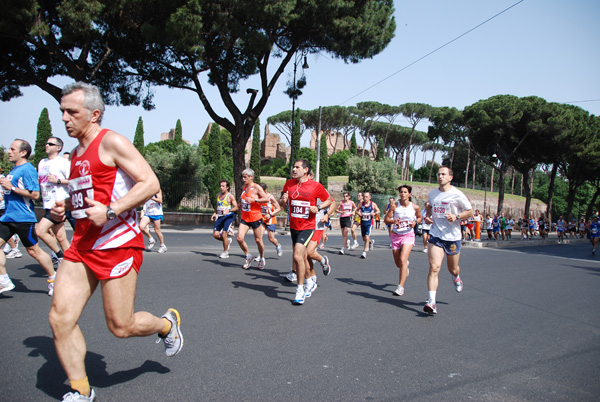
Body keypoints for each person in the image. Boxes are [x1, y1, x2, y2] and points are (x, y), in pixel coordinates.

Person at [48, 82, 183, 401]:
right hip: (82, 245)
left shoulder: (111, 142)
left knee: (121, 326)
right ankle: (80, 389)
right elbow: (89, 194)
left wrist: (111, 210)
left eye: (72, 112)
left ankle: (165, 325)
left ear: (94, 114)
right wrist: (68, 205)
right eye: (62, 112)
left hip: (118, 244)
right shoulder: (77, 153)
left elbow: (150, 182)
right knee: (59, 317)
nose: (65, 118)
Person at [0, 139, 57, 296]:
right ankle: (3, 279)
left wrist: (11, 187)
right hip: (8, 217)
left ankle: (53, 279)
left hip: (23, 218)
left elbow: (35, 194)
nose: (9, 151)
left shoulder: (28, 169)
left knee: (34, 251)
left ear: (23, 152)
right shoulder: (14, 170)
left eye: (12, 149)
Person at [279, 159, 332, 305]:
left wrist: (319, 207)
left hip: (308, 227)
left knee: (297, 255)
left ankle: (300, 289)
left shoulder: (315, 186)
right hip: (294, 226)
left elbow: (329, 200)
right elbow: (282, 204)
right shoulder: (289, 184)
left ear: (305, 170)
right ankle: (309, 282)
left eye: (297, 167)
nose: (294, 169)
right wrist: (283, 200)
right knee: (301, 257)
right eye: (293, 167)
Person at [423, 166, 473, 315]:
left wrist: (456, 216)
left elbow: (469, 211)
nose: (440, 176)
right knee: (434, 267)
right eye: (438, 174)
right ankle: (432, 302)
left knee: (452, 268)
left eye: (443, 174)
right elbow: (430, 206)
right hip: (436, 234)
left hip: (452, 236)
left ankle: (456, 277)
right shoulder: (433, 194)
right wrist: (428, 216)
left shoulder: (457, 194)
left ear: (450, 177)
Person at [36, 136, 72, 269]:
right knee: (61, 237)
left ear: (58, 148)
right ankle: (72, 264)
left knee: (40, 231)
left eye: (50, 144)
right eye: (46, 143)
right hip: (47, 202)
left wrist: (58, 181)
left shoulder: (63, 163)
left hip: (59, 203)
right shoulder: (42, 162)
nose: (47, 145)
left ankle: (59, 255)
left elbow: (74, 180)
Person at [385, 185, 422, 296]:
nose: (402, 194)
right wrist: (393, 221)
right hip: (396, 235)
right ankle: (405, 267)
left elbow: (420, 217)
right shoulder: (394, 206)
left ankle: (400, 287)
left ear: (409, 194)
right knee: (398, 264)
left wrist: (415, 223)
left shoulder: (415, 207)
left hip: (408, 235)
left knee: (402, 259)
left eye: (405, 192)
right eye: (401, 192)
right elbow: (386, 219)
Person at [236, 168, 269, 269]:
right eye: (242, 177)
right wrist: (241, 204)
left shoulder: (257, 187)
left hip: (256, 217)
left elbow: (266, 199)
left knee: (258, 240)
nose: (243, 179)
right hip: (245, 217)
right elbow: (245, 199)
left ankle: (262, 258)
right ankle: (248, 256)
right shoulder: (244, 187)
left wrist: (254, 200)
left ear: (251, 177)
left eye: (245, 177)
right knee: (239, 238)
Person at [210, 180, 238, 259]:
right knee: (215, 235)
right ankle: (227, 241)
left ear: (227, 187)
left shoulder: (230, 196)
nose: (221, 188)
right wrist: (214, 214)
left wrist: (229, 210)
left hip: (228, 217)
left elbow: (236, 207)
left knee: (224, 234)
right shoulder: (218, 195)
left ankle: (225, 252)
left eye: (223, 186)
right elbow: (217, 207)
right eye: (220, 186)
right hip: (220, 217)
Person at [258, 182, 283, 257]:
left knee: (271, 238)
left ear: (265, 190)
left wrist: (270, 214)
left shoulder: (270, 197)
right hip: (262, 219)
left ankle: (278, 246)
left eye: (262, 191)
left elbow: (278, 208)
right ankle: (260, 254)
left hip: (270, 220)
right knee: (259, 238)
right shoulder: (258, 197)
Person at [140, 189, 167, 253]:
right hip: (148, 212)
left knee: (157, 230)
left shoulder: (157, 190)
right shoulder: (145, 189)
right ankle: (151, 239)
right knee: (141, 226)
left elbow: (160, 200)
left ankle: (163, 245)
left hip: (156, 213)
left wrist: (152, 198)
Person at [358, 192, 380, 259]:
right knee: (364, 238)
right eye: (364, 197)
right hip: (363, 223)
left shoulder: (373, 204)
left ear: (370, 197)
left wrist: (375, 213)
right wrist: (358, 213)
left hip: (369, 224)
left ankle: (364, 252)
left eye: (366, 197)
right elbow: (356, 210)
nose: (365, 198)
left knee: (367, 237)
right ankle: (370, 242)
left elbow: (378, 211)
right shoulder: (361, 204)